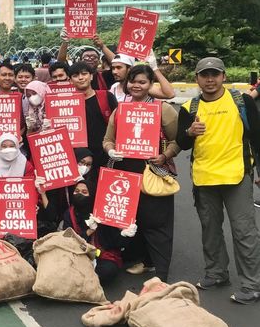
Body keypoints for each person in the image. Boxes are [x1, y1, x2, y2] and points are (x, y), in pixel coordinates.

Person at [176, 57, 260, 304]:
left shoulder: (241, 102)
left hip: (237, 176)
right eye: (204, 75)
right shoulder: (189, 108)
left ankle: (252, 284)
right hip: (204, 178)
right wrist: (189, 133)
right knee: (210, 230)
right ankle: (216, 273)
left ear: (224, 76)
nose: (210, 79)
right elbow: (181, 143)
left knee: (244, 232)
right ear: (197, 79)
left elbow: (256, 137)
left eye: (215, 74)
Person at [104, 65, 180, 281]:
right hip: (126, 172)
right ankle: (144, 262)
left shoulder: (163, 109)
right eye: (133, 81)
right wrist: (111, 150)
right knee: (133, 219)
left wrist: (165, 156)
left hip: (153, 171)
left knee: (157, 223)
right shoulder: (121, 110)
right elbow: (107, 140)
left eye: (142, 82)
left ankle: (161, 274)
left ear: (150, 85)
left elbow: (176, 141)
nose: (136, 85)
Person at [58, 180, 125, 285]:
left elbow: (115, 242)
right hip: (78, 252)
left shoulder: (102, 212)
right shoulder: (69, 213)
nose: (79, 194)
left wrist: (124, 232)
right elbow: (67, 239)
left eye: (84, 192)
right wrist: (89, 232)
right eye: (76, 191)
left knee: (107, 271)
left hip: (101, 255)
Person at [69, 61, 118, 180]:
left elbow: (119, 123)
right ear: (70, 80)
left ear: (91, 76)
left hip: (105, 155)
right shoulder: (66, 102)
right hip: (79, 160)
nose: (80, 78)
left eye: (84, 74)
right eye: (75, 76)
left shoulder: (106, 96)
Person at [0, 133, 35, 233]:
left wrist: (34, 204)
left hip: (23, 214)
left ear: (17, 146)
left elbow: (31, 189)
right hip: (3, 213)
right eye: (4, 146)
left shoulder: (26, 166)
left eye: (12, 146)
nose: (8, 149)